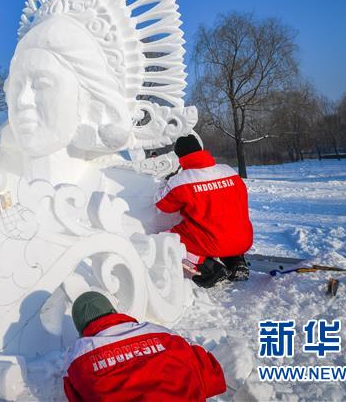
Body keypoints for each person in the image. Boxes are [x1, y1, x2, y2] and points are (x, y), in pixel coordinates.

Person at [63, 292, 226, 402]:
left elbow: (75, 395)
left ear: (81, 330)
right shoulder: (159, 333)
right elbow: (211, 376)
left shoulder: (78, 357)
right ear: (113, 311)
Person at [156, 135, 253, 287]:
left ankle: (209, 268)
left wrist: (165, 182)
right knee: (224, 224)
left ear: (180, 156)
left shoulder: (181, 180)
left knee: (165, 240)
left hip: (213, 243)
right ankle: (236, 262)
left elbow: (163, 205)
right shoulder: (228, 171)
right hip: (243, 239)